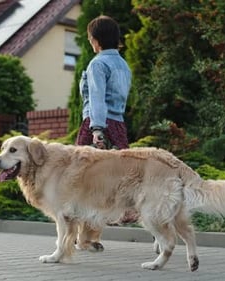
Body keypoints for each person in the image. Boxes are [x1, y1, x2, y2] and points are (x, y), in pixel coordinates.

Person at [75, 15, 133, 252]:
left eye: (90, 39)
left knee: (84, 185)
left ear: (96, 41)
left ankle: (83, 239)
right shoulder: (123, 65)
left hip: (97, 125)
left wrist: (97, 129)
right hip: (118, 127)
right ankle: (91, 237)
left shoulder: (98, 64)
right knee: (111, 185)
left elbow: (97, 98)